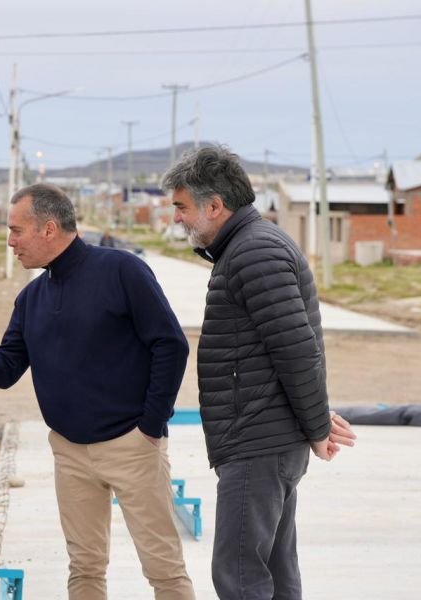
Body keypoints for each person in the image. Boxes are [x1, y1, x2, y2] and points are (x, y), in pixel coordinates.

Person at [0, 183, 197, 600]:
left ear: (48, 229)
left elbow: (170, 344)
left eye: (16, 231)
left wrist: (151, 425)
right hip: (70, 452)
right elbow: (5, 369)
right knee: (85, 568)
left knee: (163, 568)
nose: (10, 241)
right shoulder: (31, 298)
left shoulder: (122, 271)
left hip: (132, 444)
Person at [161, 146, 356, 600]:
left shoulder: (254, 253)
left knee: (239, 574)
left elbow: (296, 349)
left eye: (181, 207)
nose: (177, 219)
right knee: (273, 570)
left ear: (214, 206)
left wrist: (315, 424)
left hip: (259, 441)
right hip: (268, 437)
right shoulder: (249, 246)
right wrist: (310, 421)